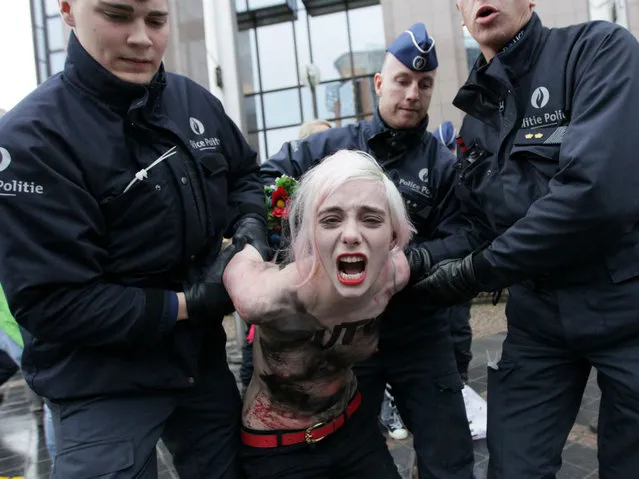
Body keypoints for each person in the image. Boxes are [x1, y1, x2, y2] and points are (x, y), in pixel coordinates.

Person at [0, 1, 270, 477]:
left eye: (157, 20)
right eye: (118, 15)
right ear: (67, 9)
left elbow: (246, 175)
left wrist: (250, 230)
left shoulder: (193, 101)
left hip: (198, 365)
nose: (142, 38)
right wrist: (190, 303)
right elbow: (53, 302)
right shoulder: (32, 140)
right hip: (101, 385)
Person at [415, 1, 639, 478]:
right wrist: (413, 263)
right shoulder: (477, 116)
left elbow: (594, 196)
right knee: (514, 468)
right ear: (460, 13)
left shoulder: (596, 50)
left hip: (625, 308)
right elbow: (476, 225)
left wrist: (477, 272)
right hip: (538, 322)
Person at [261, 23, 477, 478]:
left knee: (449, 456)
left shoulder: (442, 165)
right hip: (350, 338)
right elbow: (267, 183)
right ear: (380, 83)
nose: (412, 93)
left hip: (420, 332)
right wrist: (297, 251)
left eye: (424, 85)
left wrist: (409, 261)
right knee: (353, 455)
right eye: (402, 80)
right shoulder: (331, 148)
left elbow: (465, 235)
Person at [224, 150, 413, 478]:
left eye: (371, 219)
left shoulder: (394, 276)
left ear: (394, 236)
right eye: (331, 219)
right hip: (279, 448)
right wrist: (250, 238)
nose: (351, 235)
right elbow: (240, 262)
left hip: (354, 429)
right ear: (311, 235)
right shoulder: (268, 295)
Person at [432, 121, 473, 382]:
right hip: (436, 261)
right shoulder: (431, 170)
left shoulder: (463, 170)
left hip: (458, 261)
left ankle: (460, 375)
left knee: (457, 324)